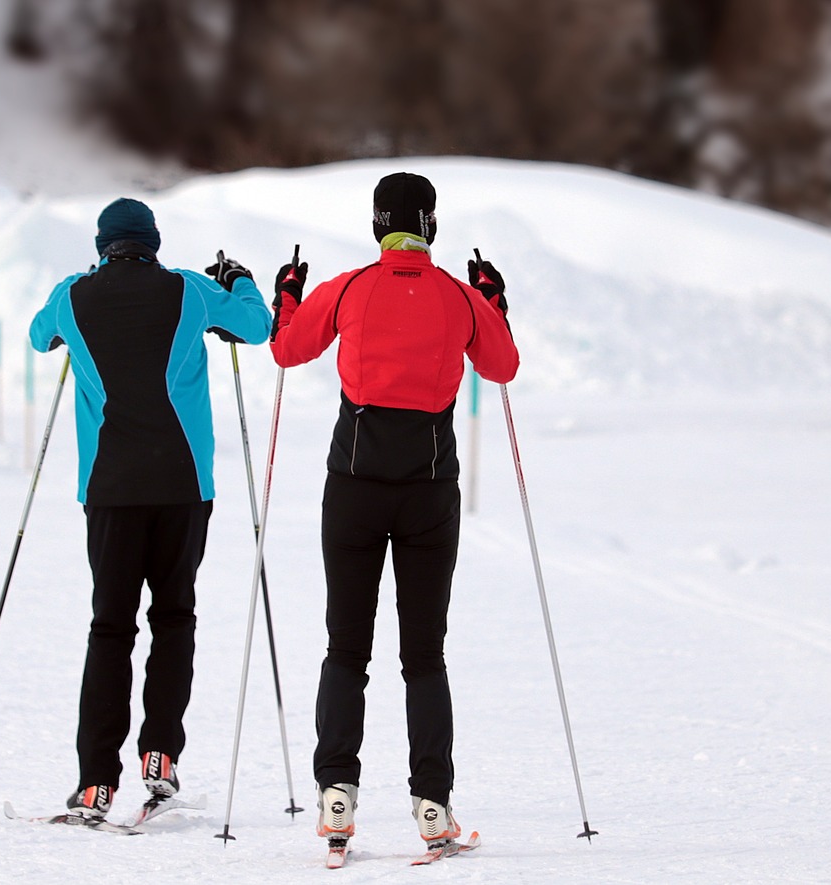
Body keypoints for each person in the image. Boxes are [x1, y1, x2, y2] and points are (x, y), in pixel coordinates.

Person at [267, 172, 518, 856]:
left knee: (346, 646)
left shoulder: (347, 288)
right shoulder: (461, 298)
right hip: (430, 490)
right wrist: (494, 301)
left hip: (352, 485)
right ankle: (433, 804)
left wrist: (287, 296)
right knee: (424, 653)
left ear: (378, 225)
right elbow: (503, 366)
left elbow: (287, 348)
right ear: (431, 224)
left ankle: (336, 796)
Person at [29, 197, 272, 823]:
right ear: (154, 243)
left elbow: (37, 336)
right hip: (183, 485)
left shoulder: (74, 296)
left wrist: (69, 284)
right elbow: (256, 326)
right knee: (174, 616)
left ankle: (93, 783)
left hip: (108, 488)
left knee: (109, 626)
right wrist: (238, 278)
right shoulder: (189, 290)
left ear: (102, 244)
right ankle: (160, 752)